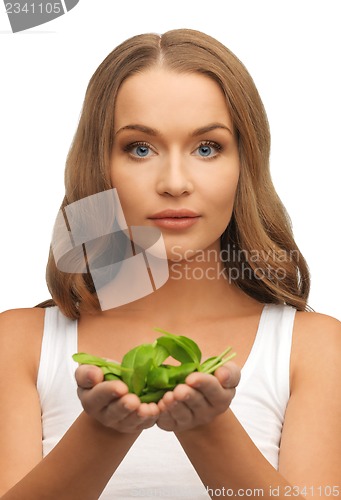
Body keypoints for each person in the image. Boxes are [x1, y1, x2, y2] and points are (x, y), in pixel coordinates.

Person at [0, 29, 340, 499]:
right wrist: (104, 431)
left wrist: (208, 428)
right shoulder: (18, 344)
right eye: (140, 148)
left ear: (246, 163)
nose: (175, 183)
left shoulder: (315, 349)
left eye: (207, 148)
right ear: (98, 166)